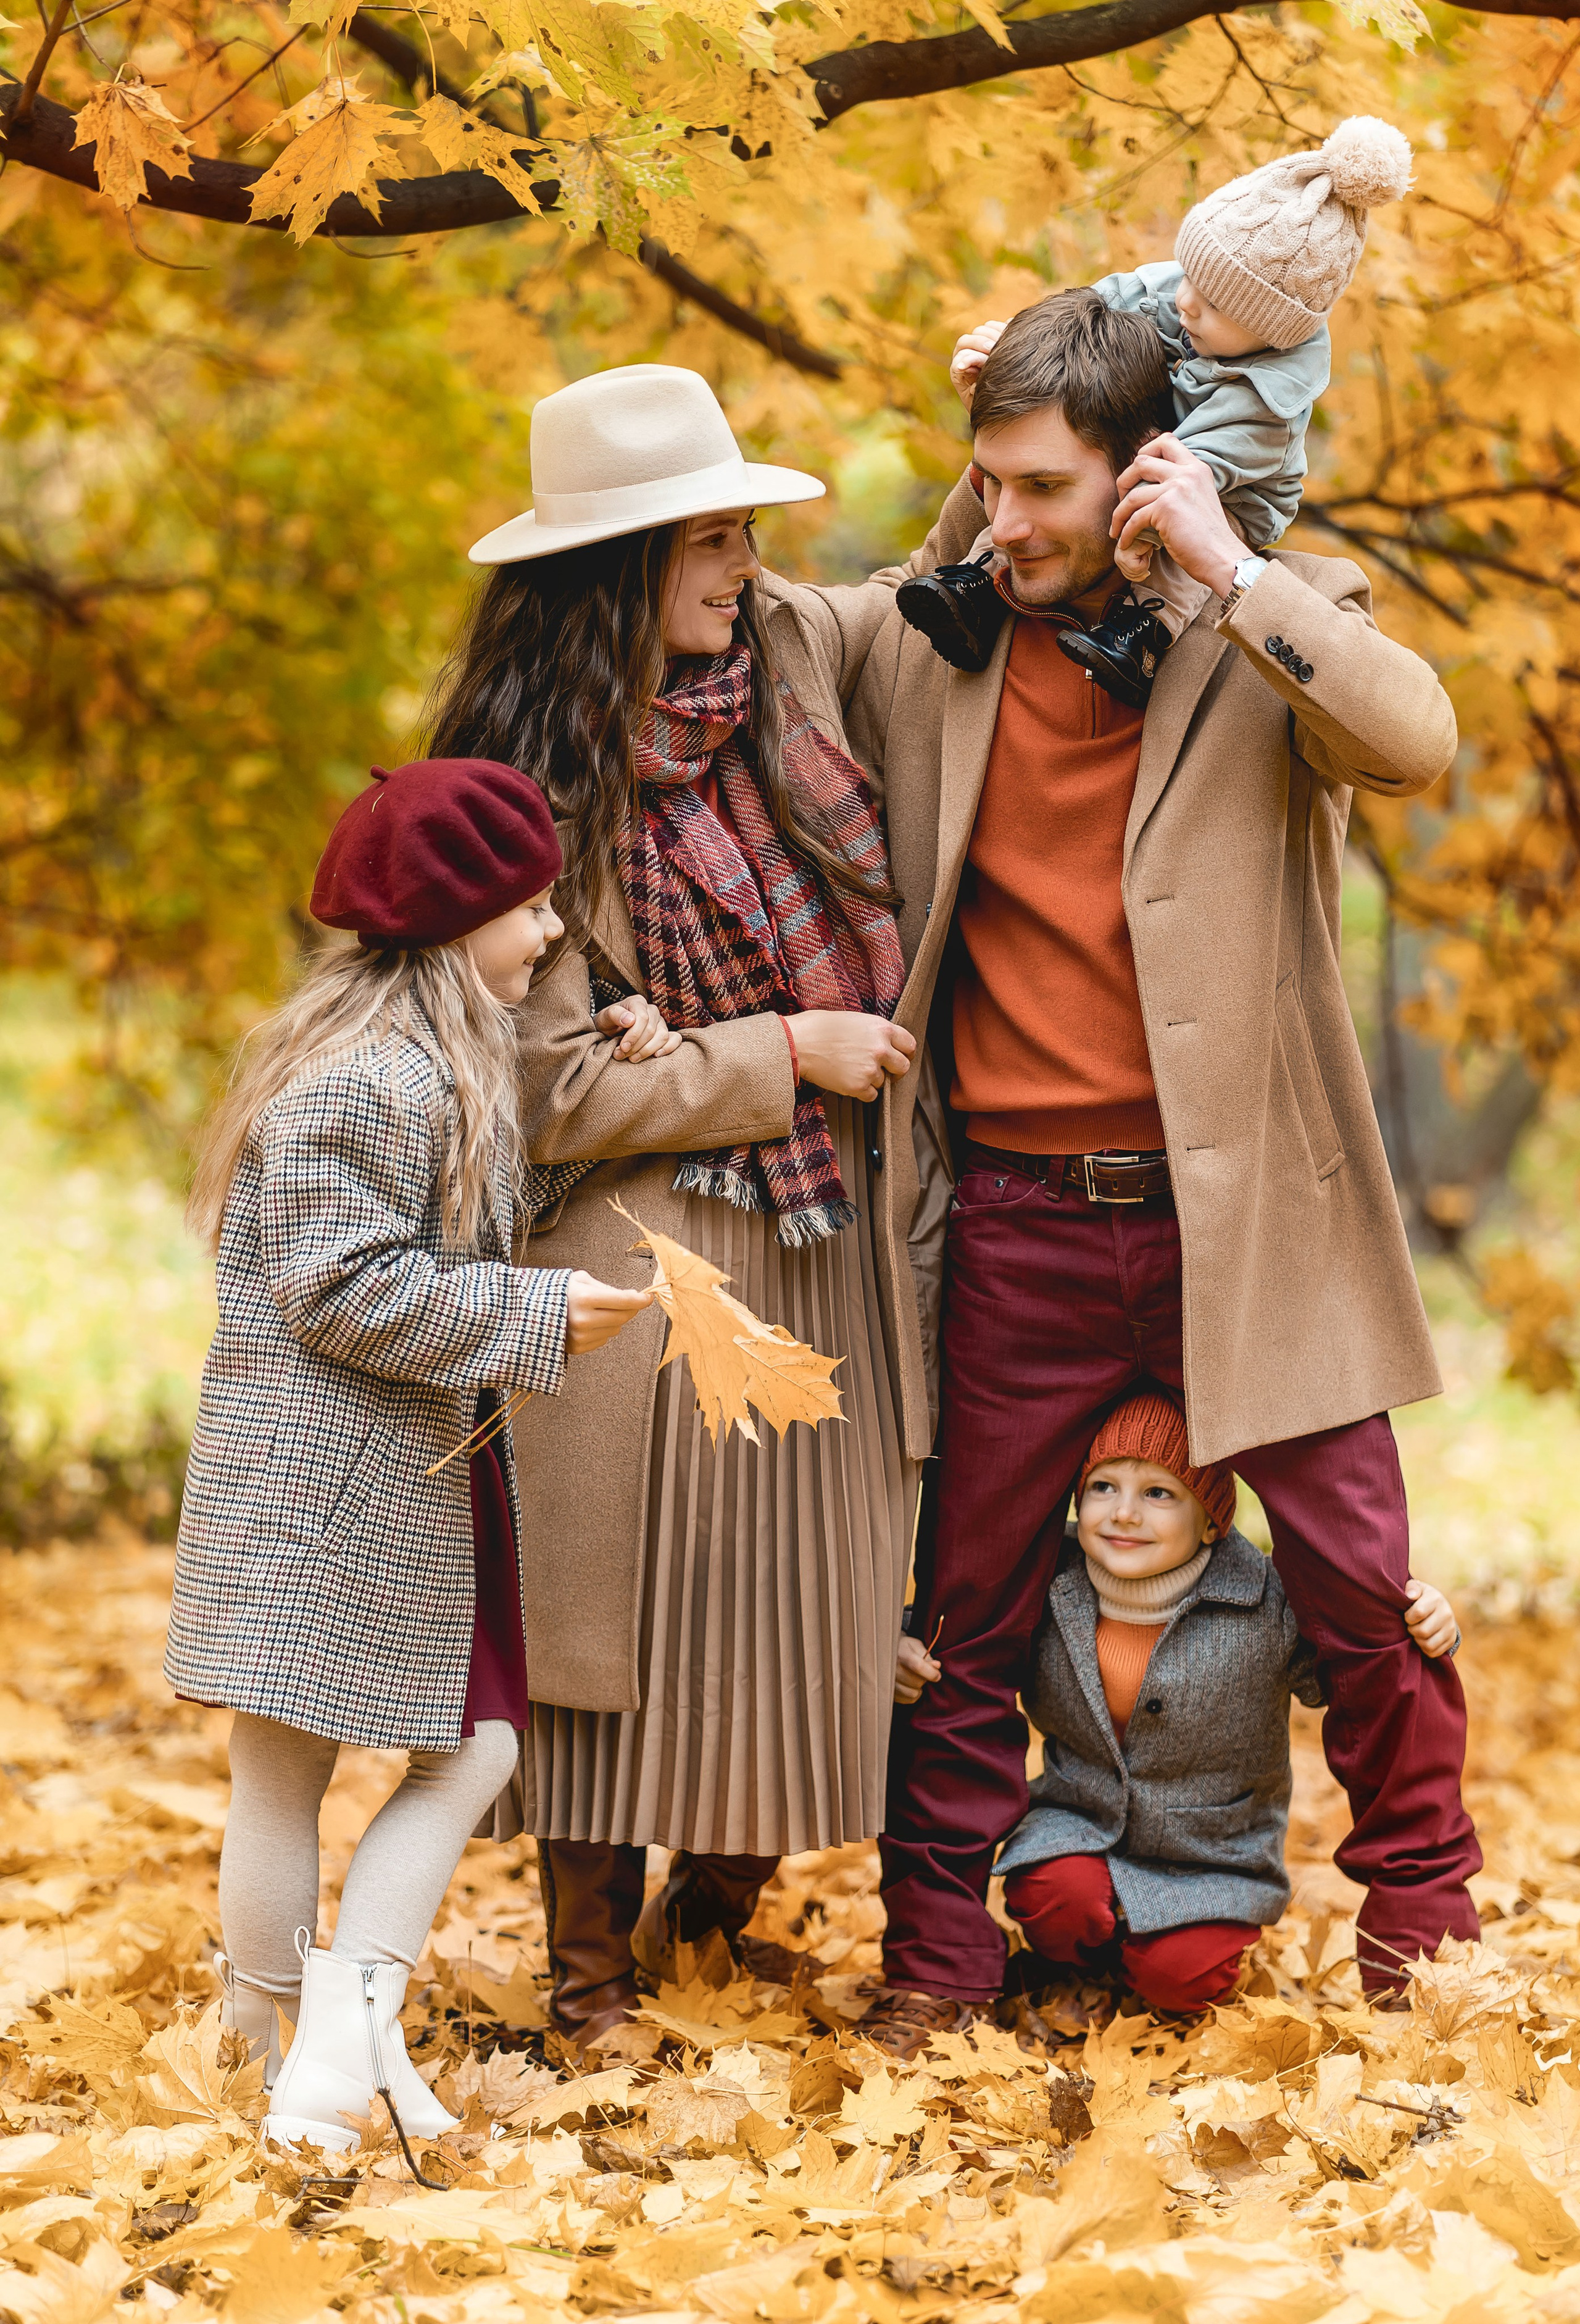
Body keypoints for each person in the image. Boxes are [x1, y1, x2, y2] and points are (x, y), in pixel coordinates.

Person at [837, 284, 1481, 2053]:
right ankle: (935, 1976)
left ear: (1143, 478)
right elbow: (799, 630)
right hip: (1021, 1227)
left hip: (1253, 1219)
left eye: (1046, 486)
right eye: (991, 482)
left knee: (1363, 1612)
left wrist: (1222, 559)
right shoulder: (936, 636)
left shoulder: (1267, 621)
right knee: (960, 1619)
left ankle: (1429, 1956)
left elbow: (1413, 740)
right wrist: (984, 500)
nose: (1008, 518)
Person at [423, 364, 949, 2054]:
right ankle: (588, 1982)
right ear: (618, 566)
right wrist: (778, 1047)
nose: (743, 558)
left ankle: (710, 1924)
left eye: (742, 527)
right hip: (627, 1273)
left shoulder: (783, 655)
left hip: (819, 1244)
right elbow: (549, 1091)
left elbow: (949, 584)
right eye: (708, 535)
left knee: (804, 1615)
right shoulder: (517, 784)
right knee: (617, 1635)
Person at [165, 758, 657, 2151]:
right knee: (369, 1760)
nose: (553, 931)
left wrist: (597, 1103)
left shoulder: (431, 1065)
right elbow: (343, 1281)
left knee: (425, 1749)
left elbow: (453, 1216)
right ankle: (290, 2039)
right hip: (330, 1486)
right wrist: (539, 1311)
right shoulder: (370, 1077)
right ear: (455, 918)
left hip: (368, 1481)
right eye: (530, 904)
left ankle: (312, 2037)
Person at [988, 1392, 1456, 2017]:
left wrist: (1427, 1617)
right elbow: (965, 1627)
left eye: (1159, 1494)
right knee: (1053, 1895)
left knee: (1183, 1981)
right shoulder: (1047, 1580)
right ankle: (1076, 1966)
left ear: (1211, 1520)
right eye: (1103, 1487)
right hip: (1078, 1823)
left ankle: (1155, 1959)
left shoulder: (1265, 1600)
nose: (1124, 1513)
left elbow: (1345, 1668)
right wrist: (906, 1640)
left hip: (1211, 1854)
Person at [934, 117, 1414, 707]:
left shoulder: (1266, 404)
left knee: (1178, 559)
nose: (1183, 301)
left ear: (1267, 331)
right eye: (1189, 277)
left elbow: (1181, 476)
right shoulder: (1191, 294)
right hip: (1154, 435)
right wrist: (1022, 365)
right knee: (1024, 513)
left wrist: (1143, 539)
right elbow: (1100, 305)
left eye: (1210, 303)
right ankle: (974, 586)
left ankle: (1140, 634)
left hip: (1224, 491)